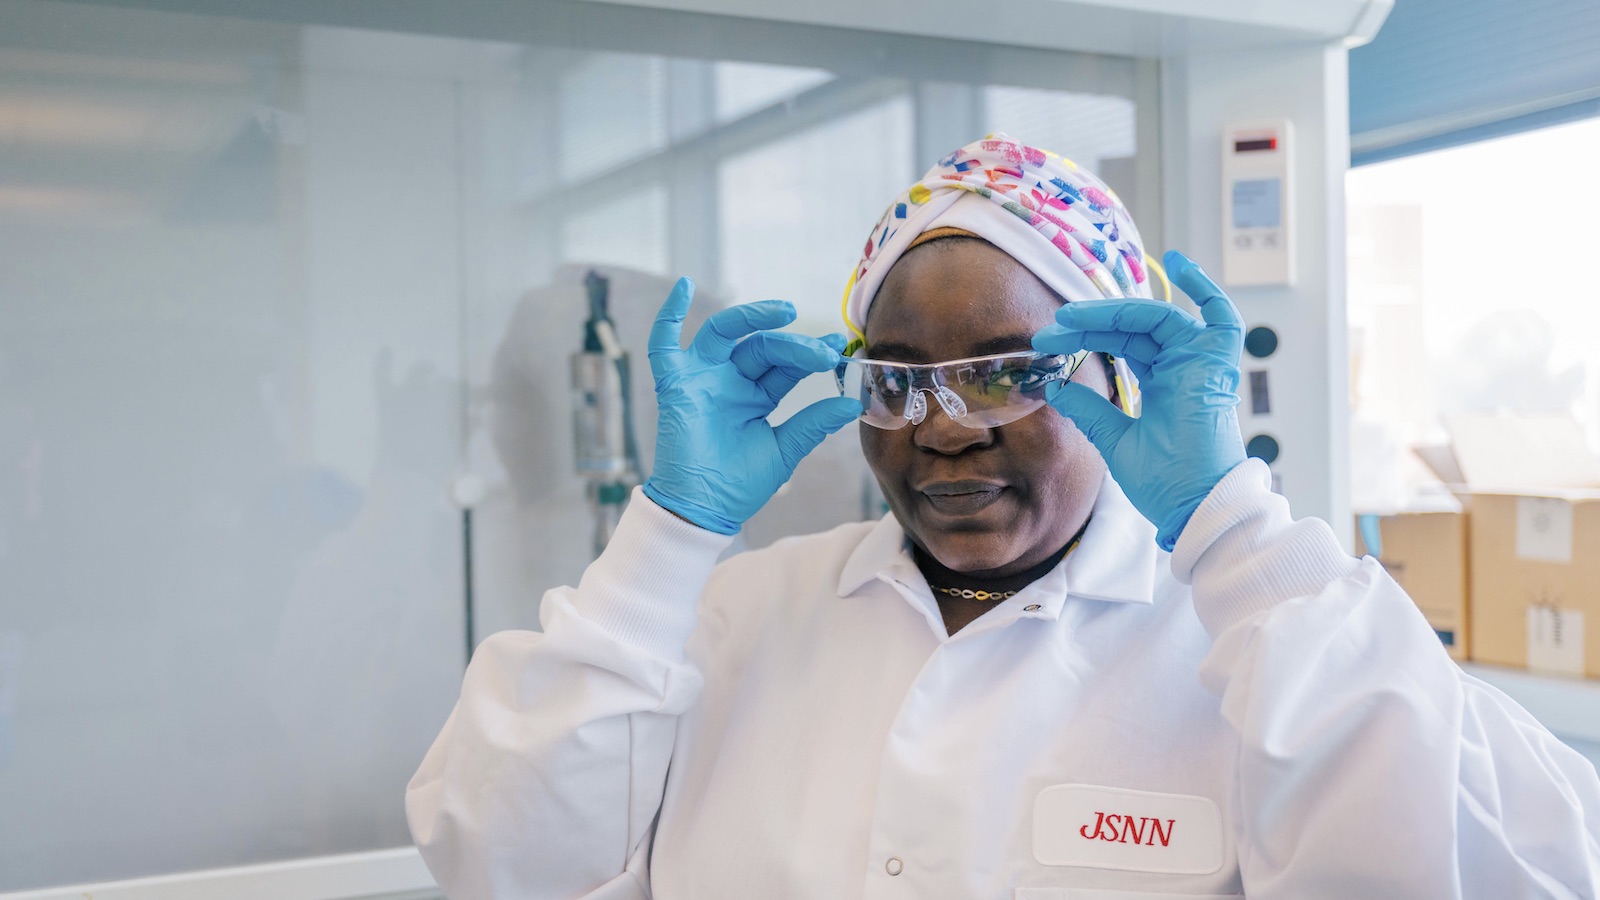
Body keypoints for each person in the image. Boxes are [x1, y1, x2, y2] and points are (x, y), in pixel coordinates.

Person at [405, 135, 1600, 898]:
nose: (944, 426)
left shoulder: (1256, 640)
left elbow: (1505, 866)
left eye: (1005, 370)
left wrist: (1232, 526)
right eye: (900, 374)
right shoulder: (735, 614)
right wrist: (665, 536)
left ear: (1112, 376)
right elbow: (496, 860)